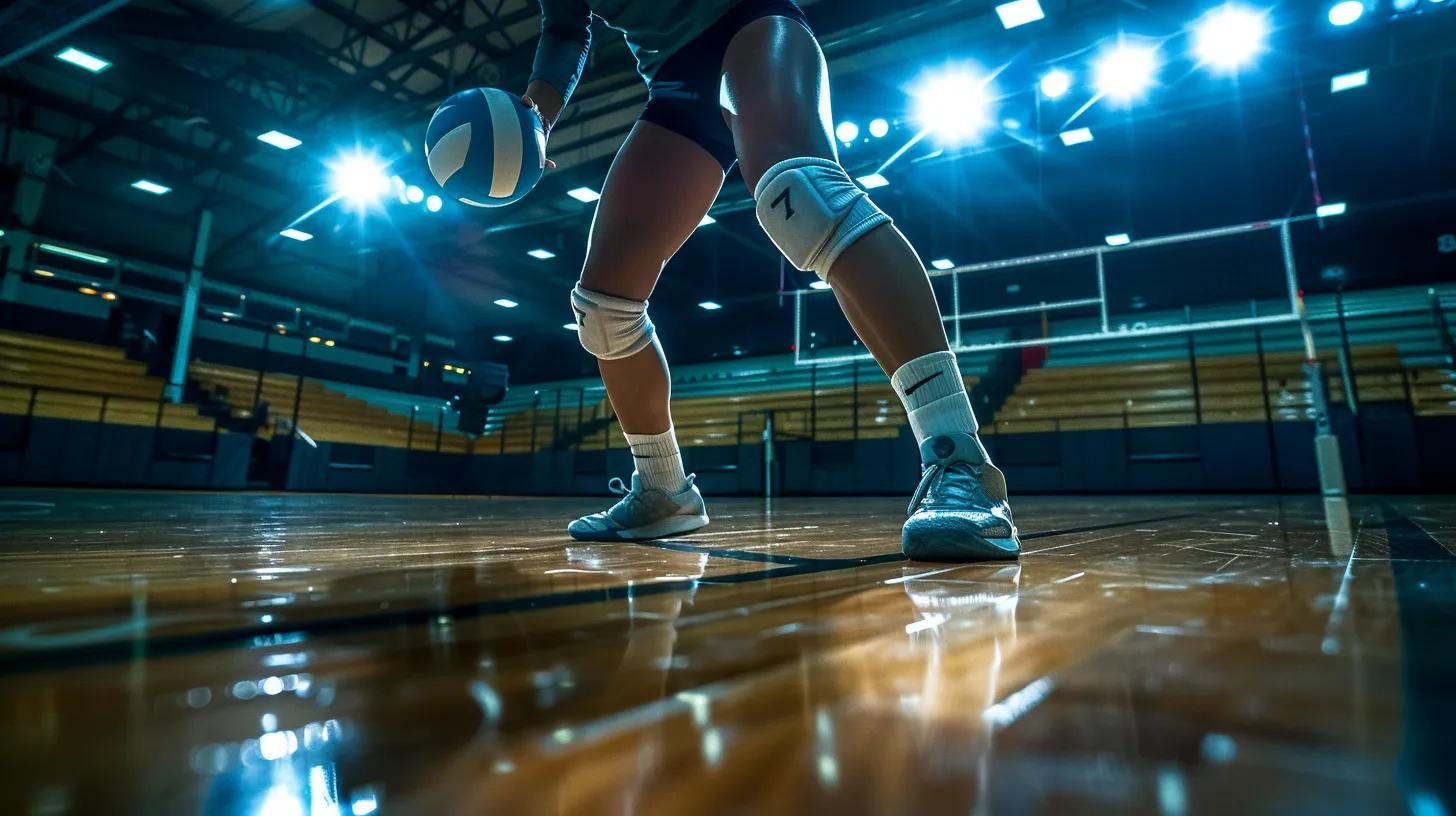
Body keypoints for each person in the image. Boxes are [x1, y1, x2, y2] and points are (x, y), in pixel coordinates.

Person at [526, 0, 1019, 561]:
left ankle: (960, 460)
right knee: (603, 310)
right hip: (674, 79)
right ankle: (663, 489)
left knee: (806, 198)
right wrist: (535, 116)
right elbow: (565, 25)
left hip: (751, 21)